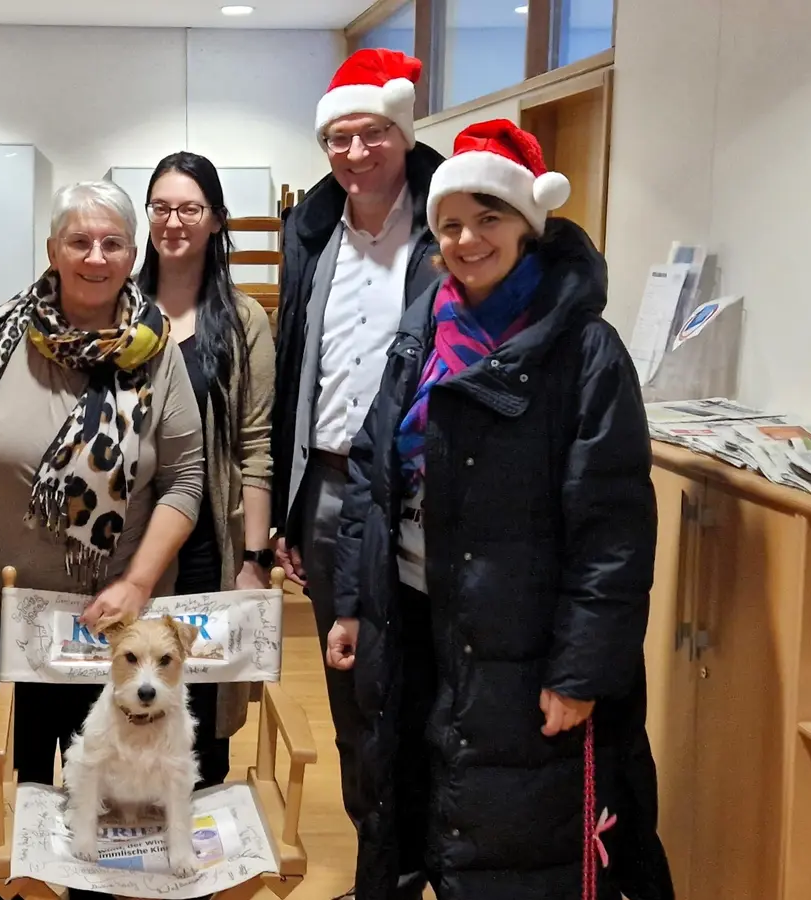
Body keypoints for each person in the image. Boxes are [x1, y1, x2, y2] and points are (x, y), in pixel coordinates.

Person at [328, 119, 674, 900]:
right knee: (423, 808)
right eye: (451, 223)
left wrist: (582, 669)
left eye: (490, 219)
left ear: (529, 225)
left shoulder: (584, 352)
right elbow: (371, 471)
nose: (468, 239)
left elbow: (612, 532)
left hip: (520, 644)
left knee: (516, 838)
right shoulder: (423, 328)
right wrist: (352, 601)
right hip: (415, 619)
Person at [0, 180, 204, 900]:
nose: (96, 256)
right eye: (79, 240)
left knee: (101, 799)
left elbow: (186, 479)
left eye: (113, 242)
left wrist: (136, 584)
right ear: (53, 249)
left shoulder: (158, 351)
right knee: (3, 796)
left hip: (105, 630)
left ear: (134, 252)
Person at [267, 47, 446, 896]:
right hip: (332, 492)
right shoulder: (312, 236)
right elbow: (298, 370)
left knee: (428, 692)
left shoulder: (450, 226)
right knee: (353, 699)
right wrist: (288, 504)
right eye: (338, 137)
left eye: (372, 132)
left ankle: (427, 866)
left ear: (403, 135)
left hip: (426, 499)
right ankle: (379, 868)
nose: (354, 152)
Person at [136, 151, 276, 789]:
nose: (173, 221)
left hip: (209, 547)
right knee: (127, 706)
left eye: (189, 208)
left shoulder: (244, 320)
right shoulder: (121, 308)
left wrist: (253, 561)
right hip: (129, 544)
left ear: (216, 220)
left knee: (199, 719)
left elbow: (256, 444)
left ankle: (193, 875)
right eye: (161, 207)